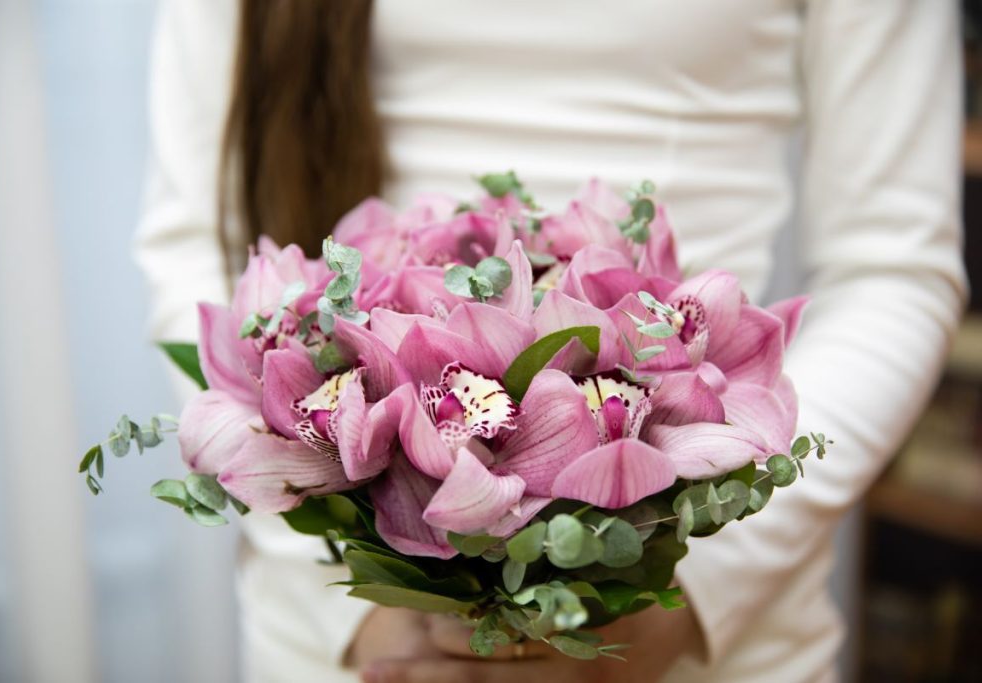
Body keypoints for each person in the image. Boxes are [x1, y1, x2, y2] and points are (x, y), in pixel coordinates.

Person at [135, 2, 967, 682]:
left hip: (696, 629)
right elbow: (200, 248)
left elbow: (891, 265)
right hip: (350, 636)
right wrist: (362, 611)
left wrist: (691, 586)